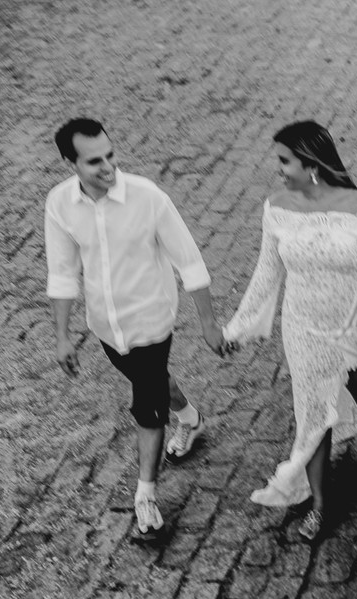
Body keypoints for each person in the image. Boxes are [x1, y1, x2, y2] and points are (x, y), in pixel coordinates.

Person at [222, 119, 357, 540]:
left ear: (311, 163)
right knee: (311, 410)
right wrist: (238, 328)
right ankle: (321, 503)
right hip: (302, 325)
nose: (279, 169)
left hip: (353, 318)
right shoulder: (276, 208)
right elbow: (266, 272)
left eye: (285, 161)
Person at [45, 117, 228, 538]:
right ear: (71, 163)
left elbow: (190, 262)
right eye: (94, 161)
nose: (108, 167)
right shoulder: (59, 204)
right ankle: (191, 418)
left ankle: (145, 496)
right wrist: (62, 335)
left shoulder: (148, 197)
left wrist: (208, 323)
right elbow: (62, 273)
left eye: (110, 155)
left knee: (147, 402)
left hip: (151, 320)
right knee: (153, 379)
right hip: (107, 326)